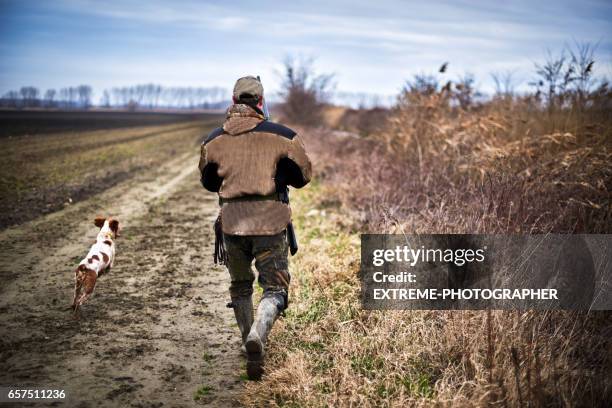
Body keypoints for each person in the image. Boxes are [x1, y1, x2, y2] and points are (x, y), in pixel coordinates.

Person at [198, 76, 312, 380]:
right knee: (274, 289)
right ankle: (258, 337)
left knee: (240, 286)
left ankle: (248, 336)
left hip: (232, 224)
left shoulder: (213, 140)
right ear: (261, 103)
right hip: (271, 222)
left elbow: (209, 182)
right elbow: (303, 177)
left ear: (234, 101)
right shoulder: (283, 135)